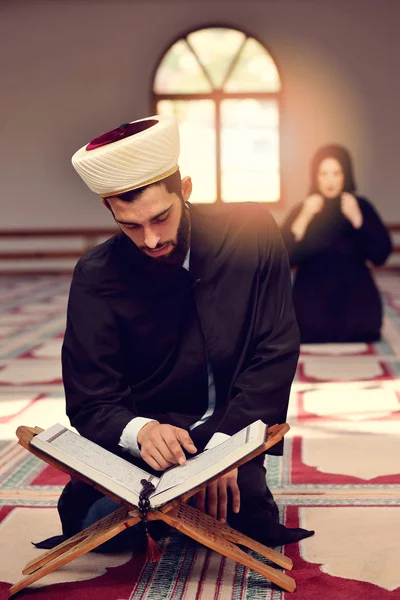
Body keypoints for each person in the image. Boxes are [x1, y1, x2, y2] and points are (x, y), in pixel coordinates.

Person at [49, 115, 313, 552]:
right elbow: (90, 396)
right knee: (101, 528)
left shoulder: (252, 233)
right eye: (130, 225)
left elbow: (274, 349)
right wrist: (140, 431)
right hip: (146, 443)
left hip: (229, 428)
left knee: (239, 514)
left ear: (185, 189)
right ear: (109, 210)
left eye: (160, 217)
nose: (151, 240)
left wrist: (231, 450)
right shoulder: (97, 275)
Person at [281, 144, 392, 344]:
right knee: (307, 327)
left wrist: (358, 220)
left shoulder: (359, 206)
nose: (329, 180)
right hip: (313, 293)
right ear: (315, 176)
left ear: (346, 174)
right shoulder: (305, 208)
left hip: (354, 293)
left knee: (361, 327)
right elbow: (281, 259)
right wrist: (304, 218)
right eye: (323, 173)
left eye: (336, 173)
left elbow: (381, 254)